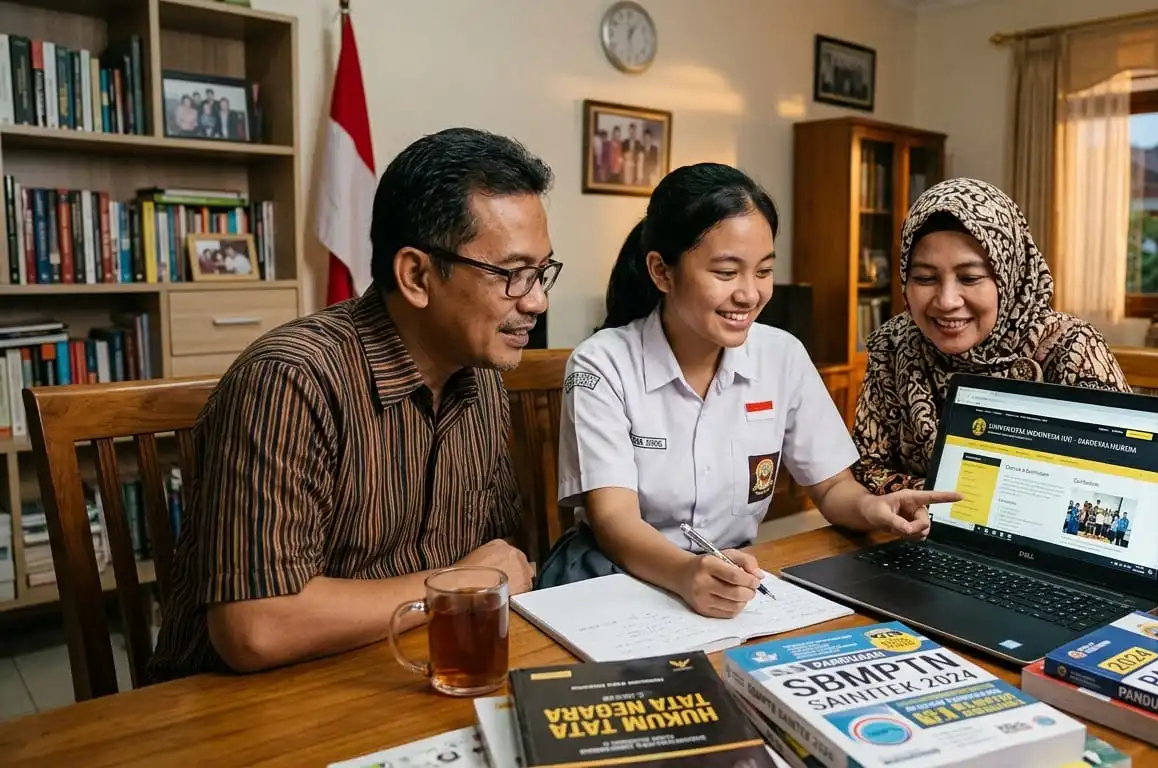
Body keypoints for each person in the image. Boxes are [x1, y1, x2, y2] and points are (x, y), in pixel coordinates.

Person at [148, 127, 560, 681]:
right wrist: (452, 584)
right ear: (416, 275)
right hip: (247, 705)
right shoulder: (291, 380)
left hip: (404, 671)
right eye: (511, 274)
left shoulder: (479, 378)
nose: (536, 300)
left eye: (541, 272)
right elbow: (256, 627)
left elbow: (497, 557)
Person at [540, 162, 960, 619]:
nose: (750, 294)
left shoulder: (781, 356)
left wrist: (872, 508)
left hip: (726, 586)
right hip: (617, 581)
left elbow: (833, 486)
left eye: (763, 271)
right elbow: (614, 520)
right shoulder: (602, 364)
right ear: (662, 271)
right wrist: (686, 574)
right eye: (726, 272)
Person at [851, 177, 1129, 494]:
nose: (946, 301)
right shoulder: (895, 345)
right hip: (917, 533)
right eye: (925, 278)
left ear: (1008, 277)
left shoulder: (1071, 347)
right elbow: (864, 467)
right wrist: (952, 506)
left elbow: (1116, 481)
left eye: (970, 278)